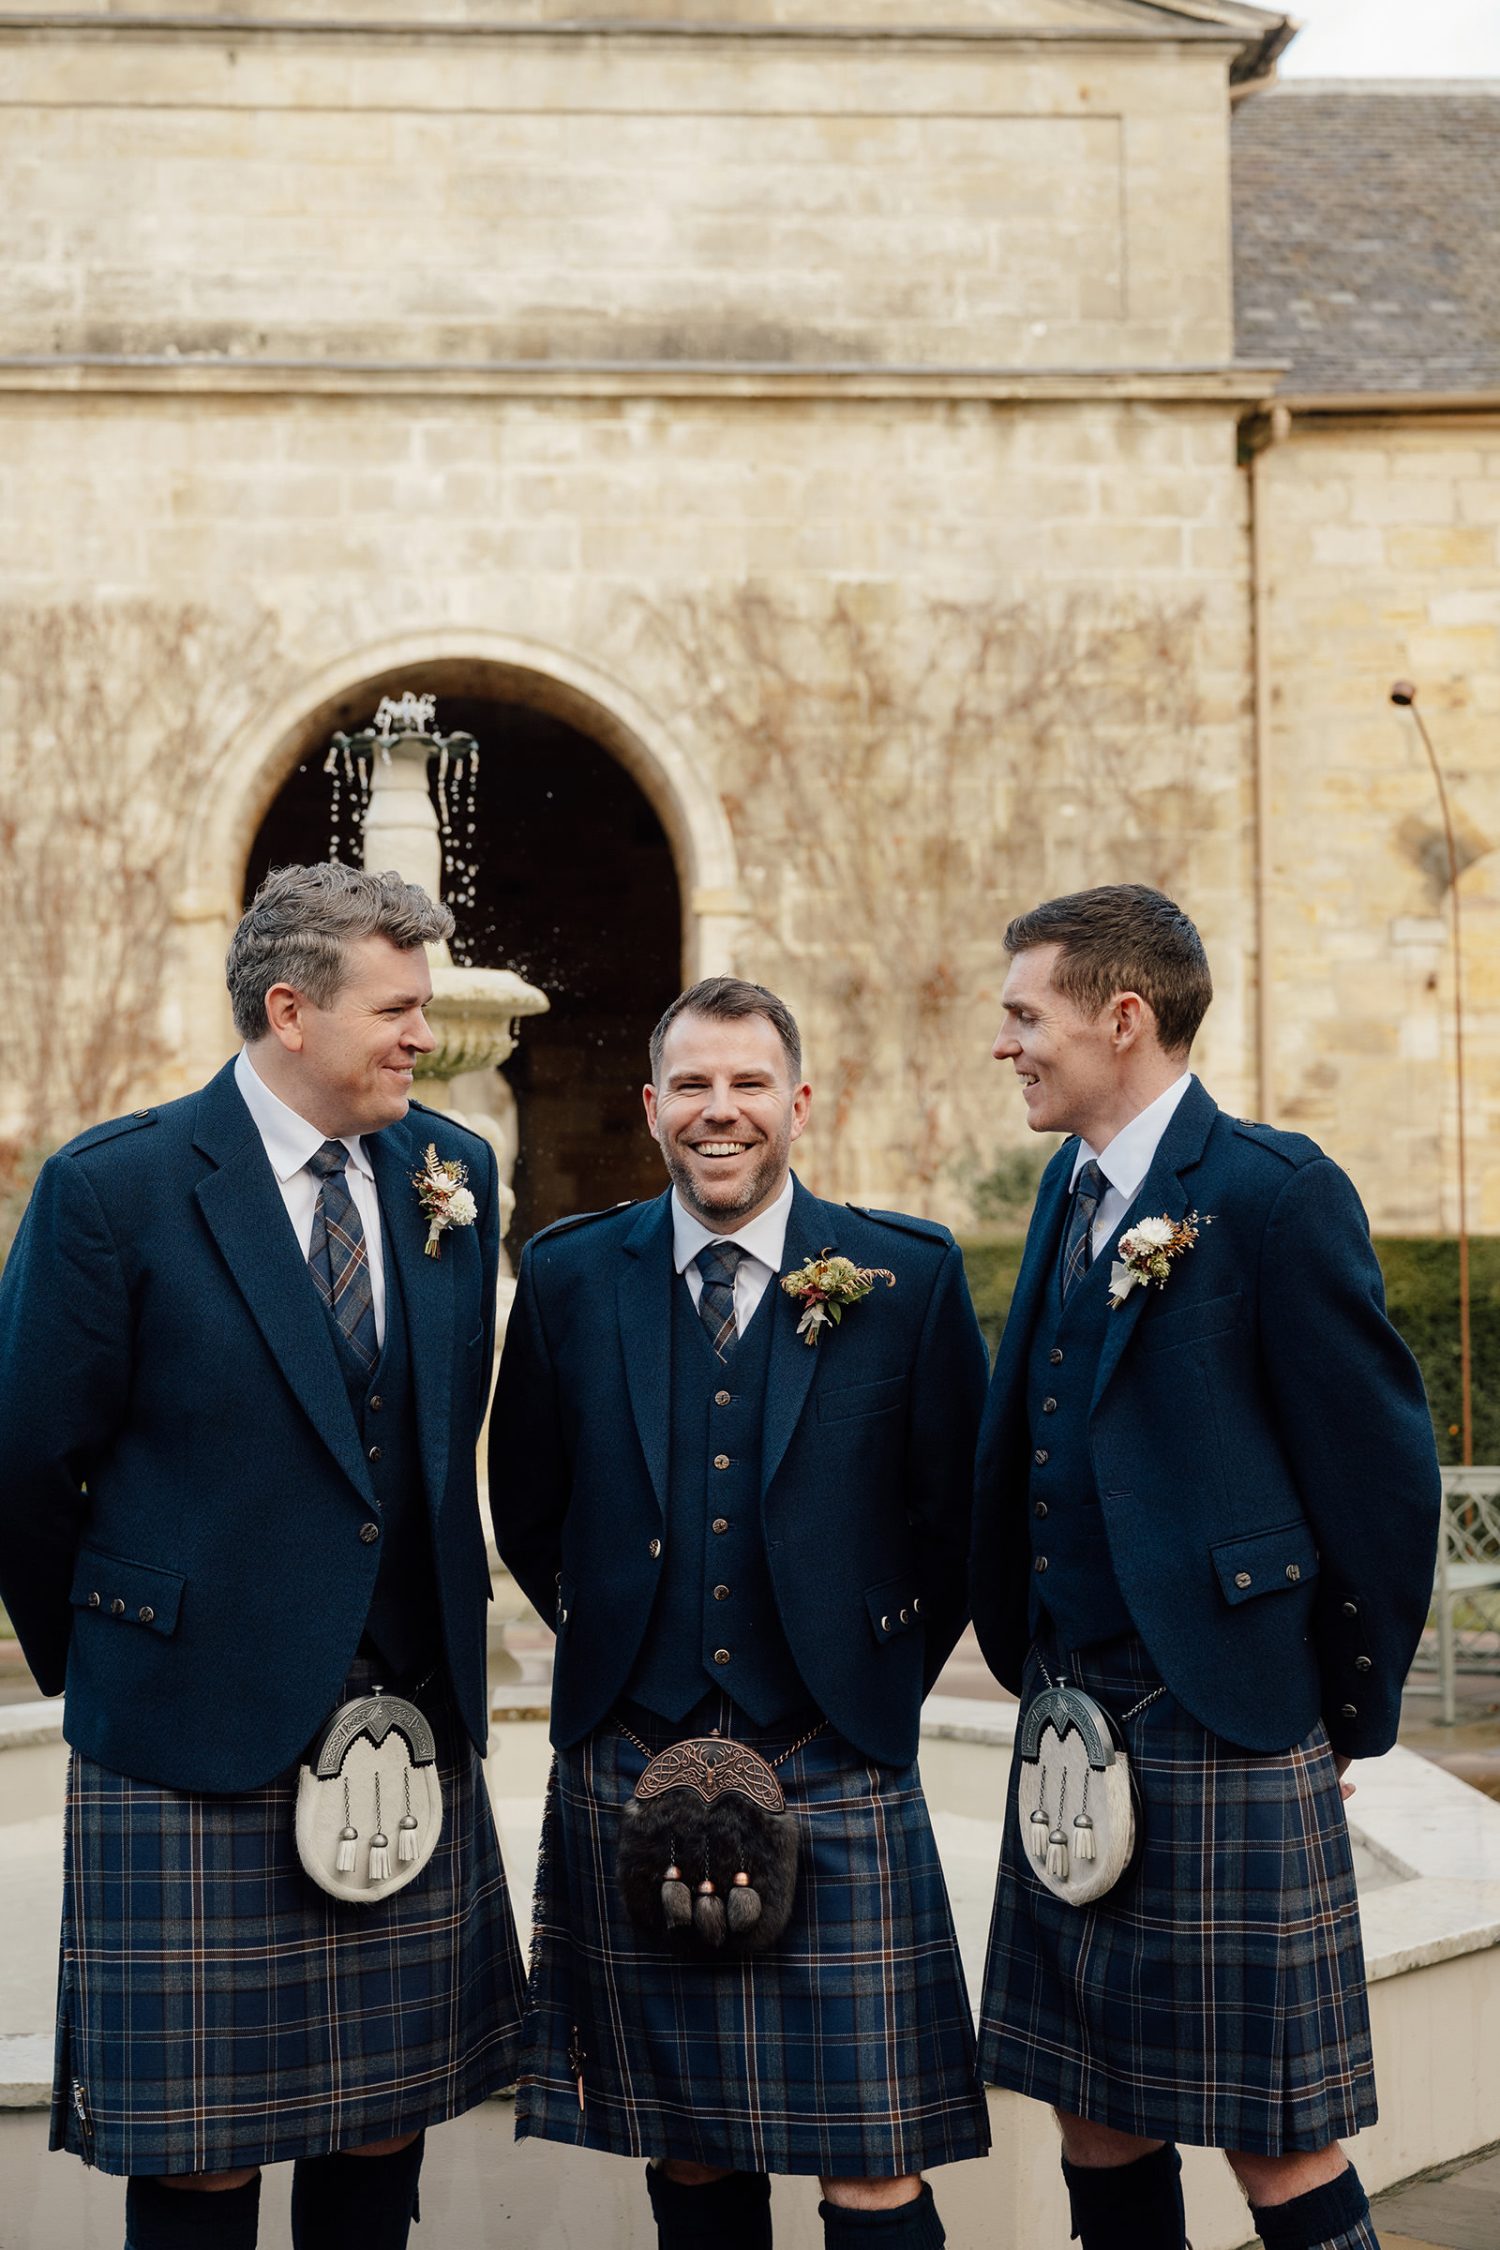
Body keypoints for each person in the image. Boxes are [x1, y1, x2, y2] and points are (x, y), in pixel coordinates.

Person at [0, 862, 527, 2250]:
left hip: (405, 1718)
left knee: (382, 2116)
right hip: (189, 1726)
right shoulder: (115, 1188)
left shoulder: (450, 1172)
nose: (423, 1034)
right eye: (398, 1007)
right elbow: (27, 1463)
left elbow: (437, 1424)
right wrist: (120, 1662)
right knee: (199, 2155)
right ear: (290, 1010)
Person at [970, 885, 1441, 2250]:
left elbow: (1379, 1481)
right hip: (1073, 1712)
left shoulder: (1272, 1193)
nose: (1008, 1044)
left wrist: (1339, 1708)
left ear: (1124, 1018)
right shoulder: (1070, 1187)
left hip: (1224, 1718)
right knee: (1092, 2107)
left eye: (1026, 1014)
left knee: (1276, 2130)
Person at [491, 975, 991, 2250]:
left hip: (835, 1746)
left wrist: (864, 1675)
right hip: (630, 1739)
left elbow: (959, 1523)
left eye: (750, 1083)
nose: (723, 1112)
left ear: (800, 1102)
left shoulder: (906, 1274)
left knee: (872, 2157)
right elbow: (528, 1506)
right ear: (653, 1107)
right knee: (693, 2146)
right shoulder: (563, 1274)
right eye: (695, 1087)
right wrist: (617, 1639)